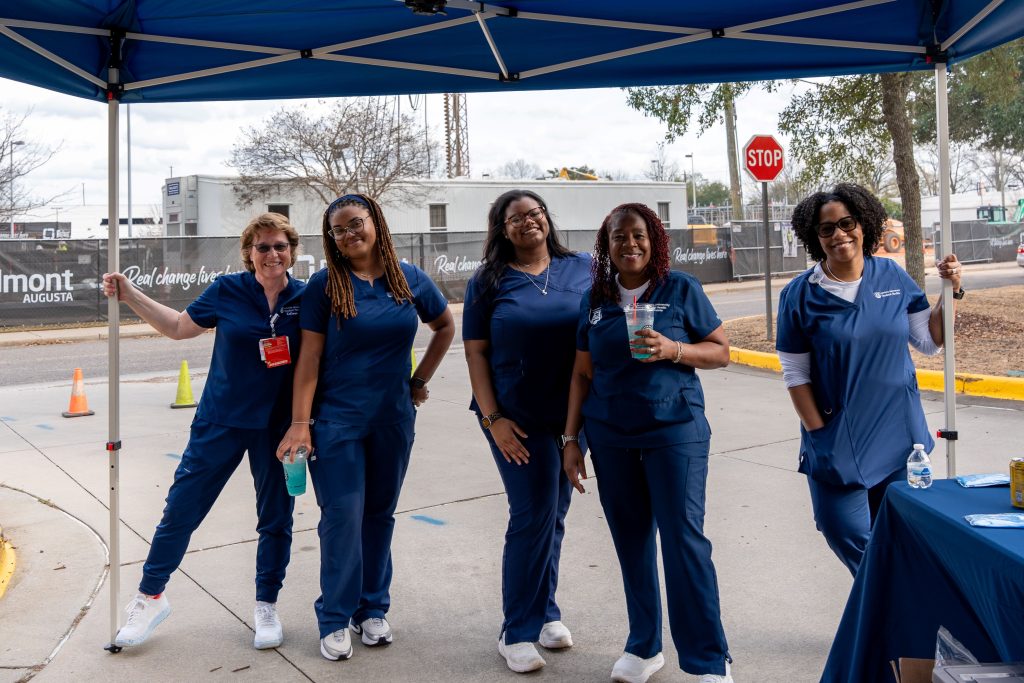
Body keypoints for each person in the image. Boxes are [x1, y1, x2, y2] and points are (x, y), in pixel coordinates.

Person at [104, 212, 305, 650]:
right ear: (249, 253)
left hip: (278, 430)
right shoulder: (227, 290)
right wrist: (130, 294)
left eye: (280, 246)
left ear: (293, 251)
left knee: (276, 519)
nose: (272, 254)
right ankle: (150, 596)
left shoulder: (307, 298)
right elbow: (178, 328)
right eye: (262, 247)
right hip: (221, 422)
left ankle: (266, 604)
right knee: (181, 510)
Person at [276, 193, 454, 662]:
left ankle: (371, 609)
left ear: (375, 222)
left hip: (393, 419)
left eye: (356, 224)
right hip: (337, 422)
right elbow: (309, 358)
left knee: (379, 516)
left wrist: (418, 381)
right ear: (332, 239)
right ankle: (334, 616)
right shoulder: (324, 286)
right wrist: (300, 423)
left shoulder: (408, 278)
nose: (349, 234)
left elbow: (444, 327)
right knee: (342, 518)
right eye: (339, 230)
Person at [562, 203, 734, 683]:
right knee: (632, 543)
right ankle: (643, 648)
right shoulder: (595, 299)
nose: (629, 244)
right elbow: (581, 372)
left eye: (638, 235)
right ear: (607, 244)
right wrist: (571, 439)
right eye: (619, 236)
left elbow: (720, 351)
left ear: (654, 241)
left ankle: (707, 662)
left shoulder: (680, 288)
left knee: (684, 543)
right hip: (611, 437)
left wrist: (673, 349)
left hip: (673, 431)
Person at [776, 183, 962, 576]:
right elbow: (795, 373)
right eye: (827, 229)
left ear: (864, 225)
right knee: (844, 530)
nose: (839, 234)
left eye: (847, 223)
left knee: (900, 537)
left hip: (899, 437)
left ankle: (890, 626)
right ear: (815, 237)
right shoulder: (800, 295)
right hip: (839, 436)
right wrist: (819, 432)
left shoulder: (890, 275)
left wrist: (952, 291)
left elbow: (929, 341)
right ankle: (888, 615)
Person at [462, 190, 592, 674]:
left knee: (554, 512)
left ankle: (546, 612)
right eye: (514, 218)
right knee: (532, 511)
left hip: (571, 415)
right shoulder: (488, 281)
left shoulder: (582, 267)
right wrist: (493, 420)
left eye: (534, 213)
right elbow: (475, 352)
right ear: (502, 229)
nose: (527, 223)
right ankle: (515, 629)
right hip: (513, 416)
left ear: (546, 219)